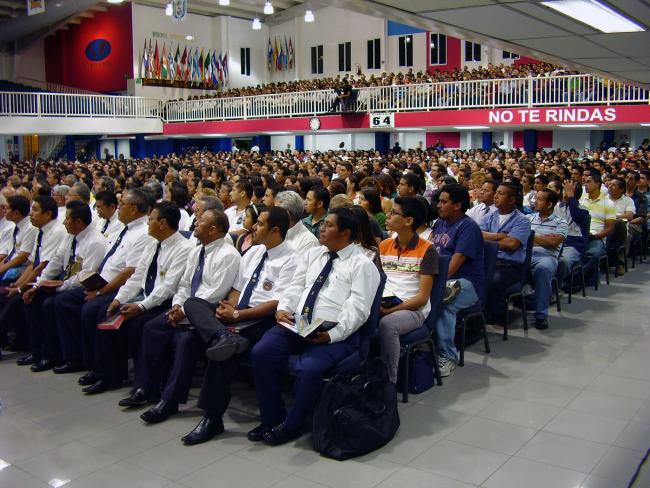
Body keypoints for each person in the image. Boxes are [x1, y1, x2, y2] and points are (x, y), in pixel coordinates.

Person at [250, 207, 380, 446]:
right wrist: (283, 308)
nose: (322, 227)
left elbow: (358, 310)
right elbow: (295, 286)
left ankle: (292, 425)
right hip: (299, 322)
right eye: (323, 224)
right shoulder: (313, 255)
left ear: (345, 233)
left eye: (329, 225)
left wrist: (331, 335)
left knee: (309, 368)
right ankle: (272, 418)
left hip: (335, 332)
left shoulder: (362, 265)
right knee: (262, 352)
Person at [180, 207, 298, 445]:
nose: (253, 227)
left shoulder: (292, 260)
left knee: (222, 353)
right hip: (237, 316)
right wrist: (229, 309)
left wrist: (237, 314)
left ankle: (212, 418)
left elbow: (278, 303)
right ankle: (223, 336)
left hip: (261, 319)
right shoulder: (254, 252)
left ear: (275, 230)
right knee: (193, 304)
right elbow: (237, 287)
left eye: (260, 224)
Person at [118, 209, 241, 426]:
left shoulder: (228, 255)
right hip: (185, 307)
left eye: (200, 222)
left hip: (208, 314)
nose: (194, 224)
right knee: (151, 327)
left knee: (185, 341)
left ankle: (169, 400)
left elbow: (214, 294)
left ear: (213, 230)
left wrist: (184, 310)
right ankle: (147, 387)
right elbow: (184, 284)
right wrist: (177, 305)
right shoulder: (196, 251)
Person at [87, 202, 194, 394]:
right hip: (144, 296)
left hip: (164, 302)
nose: (147, 223)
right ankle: (109, 374)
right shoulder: (152, 243)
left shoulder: (184, 248)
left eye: (151, 220)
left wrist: (141, 307)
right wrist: (119, 299)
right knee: (106, 312)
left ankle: (146, 386)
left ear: (162, 224)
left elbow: (168, 287)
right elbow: (137, 276)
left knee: (139, 325)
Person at [53, 188, 153, 385]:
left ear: (133, 209)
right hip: (101, 281)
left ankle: (108, 372)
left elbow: (129, 272)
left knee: (95, 310)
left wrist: (100, 291)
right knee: (62, 301)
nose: (119, 208)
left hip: (116, 286)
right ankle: (79, 358)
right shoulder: (124, 229)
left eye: (122, 204)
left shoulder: (142, 233)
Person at [22, 201, 107, 372]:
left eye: (67, 219)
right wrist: (39, 284)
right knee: (33, 297)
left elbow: (86, 275)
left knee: (56, 302)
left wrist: (60, 287)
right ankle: (39, 351)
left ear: (78, 222)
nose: (63, 222)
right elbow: (56, 261)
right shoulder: (71, 236)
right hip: (65, 282)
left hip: (85, 286)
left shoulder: (96, 241)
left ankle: (68, 357)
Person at [378, 196, 437, 384]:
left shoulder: (427, 249)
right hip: (385, 302)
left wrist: (392, 310)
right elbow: (377, 283)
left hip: (412, 309)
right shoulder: (384, 245)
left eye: (394, 213)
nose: (388, 215)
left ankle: (389, 382)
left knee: (388, 324)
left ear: (408, 221)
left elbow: (422, 297)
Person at [430, 184, 484, 376]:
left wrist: (432, 283)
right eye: (439, 201)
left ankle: (447, 355)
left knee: (443, 299)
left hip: (467, 282)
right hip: (442, 278)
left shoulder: (468, 227)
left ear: (457, 205)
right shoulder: (439, 223)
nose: (438, 205)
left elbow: (453, 266)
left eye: (444, 202)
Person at [8, 196, 67, 366]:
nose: (31, 214)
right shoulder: (41, 230)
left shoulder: (56, 231)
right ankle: (32, 348)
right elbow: (33, 263)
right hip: (42, 275)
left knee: (27, 300)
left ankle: (44, 353)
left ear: (48, 214)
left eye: (35, 210)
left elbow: (44, 266)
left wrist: (23, 289)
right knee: (11, 295)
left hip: (51, 278)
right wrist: (19, 284)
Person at [480, 182, 531, 322]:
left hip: (509, 266)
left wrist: (488, 239)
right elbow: (478, 235)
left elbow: (512, 244)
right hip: (487, 262)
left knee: (492, 280)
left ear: (512, 199)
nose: (495, 196)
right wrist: (499, 236)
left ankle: (484, 318)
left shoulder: (522, 220)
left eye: (501, 194)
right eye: (496, 192)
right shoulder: (489, 216)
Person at [526, 189, 568, 329]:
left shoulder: (560, 222)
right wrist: (542, 238)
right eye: (535, 198)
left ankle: (541, 315)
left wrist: (531, 236)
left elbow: (553, 243)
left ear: (549, 204)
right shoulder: (529, 218)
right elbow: (520, 238)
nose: (535, 202)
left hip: (546, 256)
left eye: (539, 199)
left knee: (543, 269)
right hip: (525, 253)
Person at [579, 170, 615, 286]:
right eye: (585, 182)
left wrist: (596, 236)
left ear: (598, 184)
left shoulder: (608, 203)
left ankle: (577, 277)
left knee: (594, 253)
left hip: (596, 237)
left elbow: (609, 228)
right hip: (580, 235)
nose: (585, 184)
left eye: (589, 182)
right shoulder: (581, 201)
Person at [0, 195, 37, 283]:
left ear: (16, 213)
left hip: (21, 268)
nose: (4, 211)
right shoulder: (16, 226)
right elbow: (8, 255)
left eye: (7, 209)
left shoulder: (31, 228)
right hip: (10, 265)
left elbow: (21, 257)